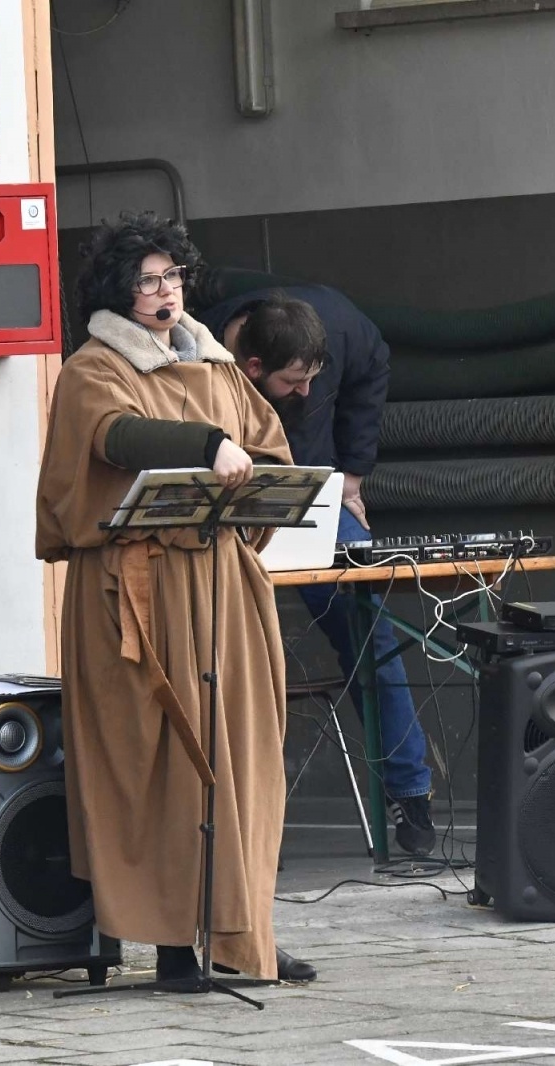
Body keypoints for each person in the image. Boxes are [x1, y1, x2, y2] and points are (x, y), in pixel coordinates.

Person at [36, 212, 316, 984]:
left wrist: (262, 475)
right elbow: (115, 438)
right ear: (118, 292)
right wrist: (202, 447)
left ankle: (241, 926)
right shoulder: (95, 366)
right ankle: (169, 945)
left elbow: (263, 442)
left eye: (172, 277)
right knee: (157, 760)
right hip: (140, 592)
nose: (164, 293)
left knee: (243, 754)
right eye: (147, 281)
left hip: (222, 582)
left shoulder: (218, 362)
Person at [200, 286, 437, 855]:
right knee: (213, 638)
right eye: (292, 383)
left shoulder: (342, 325)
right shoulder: (195, 346)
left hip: (309, 492)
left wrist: (352, 473)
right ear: (251, 368)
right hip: (221, 504)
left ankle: (412, 794)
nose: (306, 391)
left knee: (370, 628)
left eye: (314, 378)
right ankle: (225, 820)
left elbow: (374, 364)